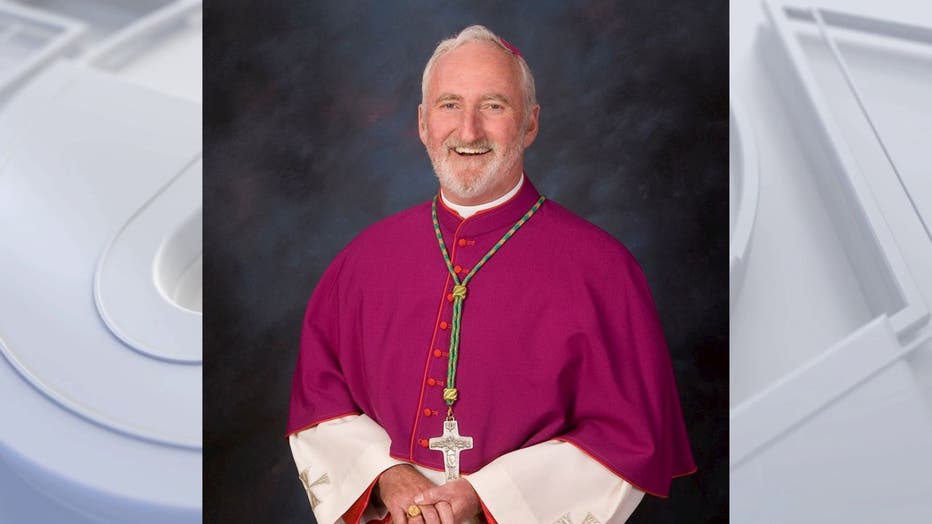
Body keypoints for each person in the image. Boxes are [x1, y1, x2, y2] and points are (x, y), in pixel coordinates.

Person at [287, 25, 696, 524]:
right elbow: (318, 399)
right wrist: (386, 477)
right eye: (450, 105)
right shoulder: (362, 261)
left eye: (494, 106)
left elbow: (629, 438)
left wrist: (484, 498)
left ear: (529, 124)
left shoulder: (604, 272)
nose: (468, 131)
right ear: (422, 123)